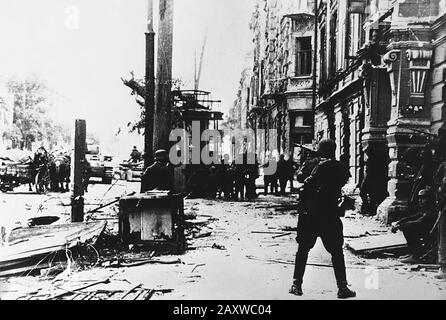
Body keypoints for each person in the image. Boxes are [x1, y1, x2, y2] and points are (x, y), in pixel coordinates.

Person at [290, 139, 356, 299]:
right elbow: (344, 181)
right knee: (337, 252)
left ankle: (296, 284)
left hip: (309, 214)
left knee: (303, 249)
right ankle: (342, 287)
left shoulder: (311, 163)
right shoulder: (339, 166)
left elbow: (299, 178)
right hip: (330, 214)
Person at [391, 189, 437, 263]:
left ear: (429, 199)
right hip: (425, 229)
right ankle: (412, 253)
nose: (420, 200)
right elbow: (414, 217)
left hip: (429, 233)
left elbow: (419, 221)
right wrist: (399, 222)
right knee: (408, 226)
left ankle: (416, 255)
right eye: (419, 198)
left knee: (409, 229)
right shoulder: (426, 209)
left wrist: (401, 225)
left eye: (423, 198)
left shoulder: (431, 211)